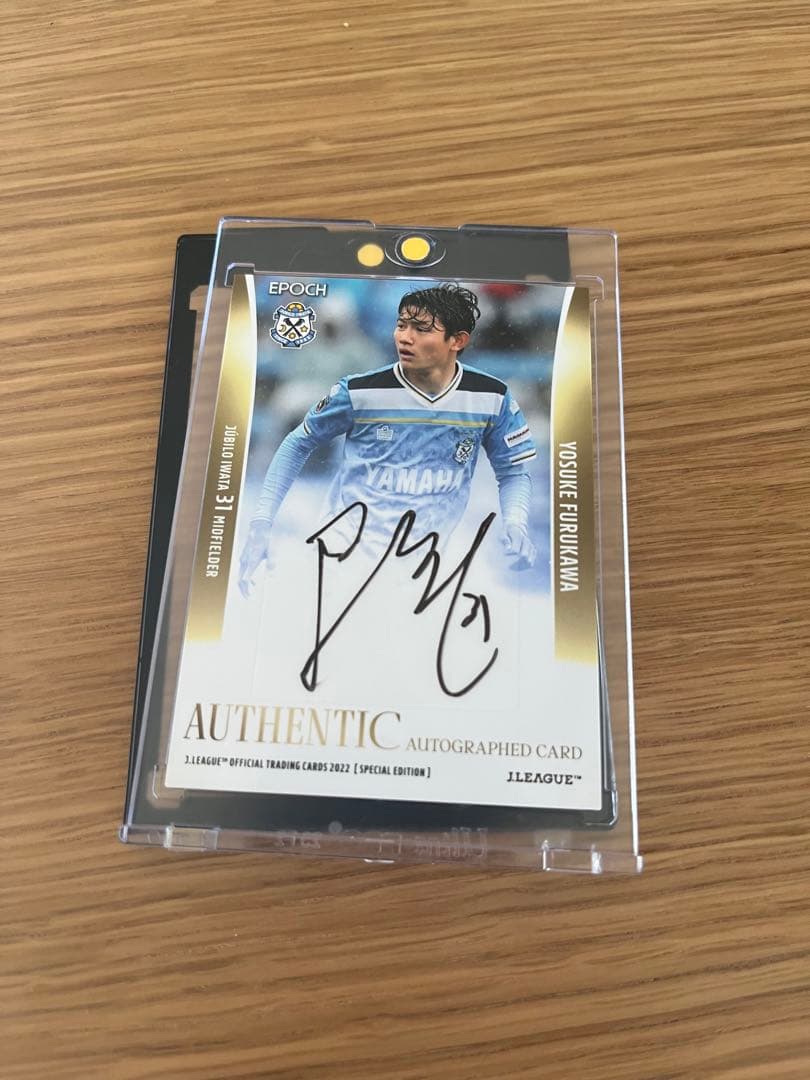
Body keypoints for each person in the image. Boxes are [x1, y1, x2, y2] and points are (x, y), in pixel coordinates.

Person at [239, 283, 537, 597]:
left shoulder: (491, 397)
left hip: (427, 564)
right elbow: (297, 443)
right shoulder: (360, 391)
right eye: (401, 325)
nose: (405, 337)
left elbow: (513, 472)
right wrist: (261, 523)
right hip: (343, 556)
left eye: (421, 329)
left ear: (457, 340)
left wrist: (515, 523)